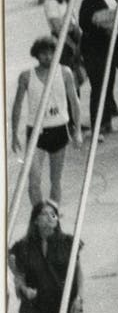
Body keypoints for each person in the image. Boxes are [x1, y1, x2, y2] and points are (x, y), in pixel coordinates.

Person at [11, 35, 86, 206]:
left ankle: (53, 218)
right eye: (43, 54)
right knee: (34, 181)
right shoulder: (26, 76)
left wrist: (78, 131)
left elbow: (75, 102)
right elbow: (17, 106)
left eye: (51, 53)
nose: (48, 57)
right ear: (36, 55)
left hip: (59, 129)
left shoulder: (65, 72)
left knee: (55, 180)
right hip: (36, 132)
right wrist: (14, 134)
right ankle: (38, 217)